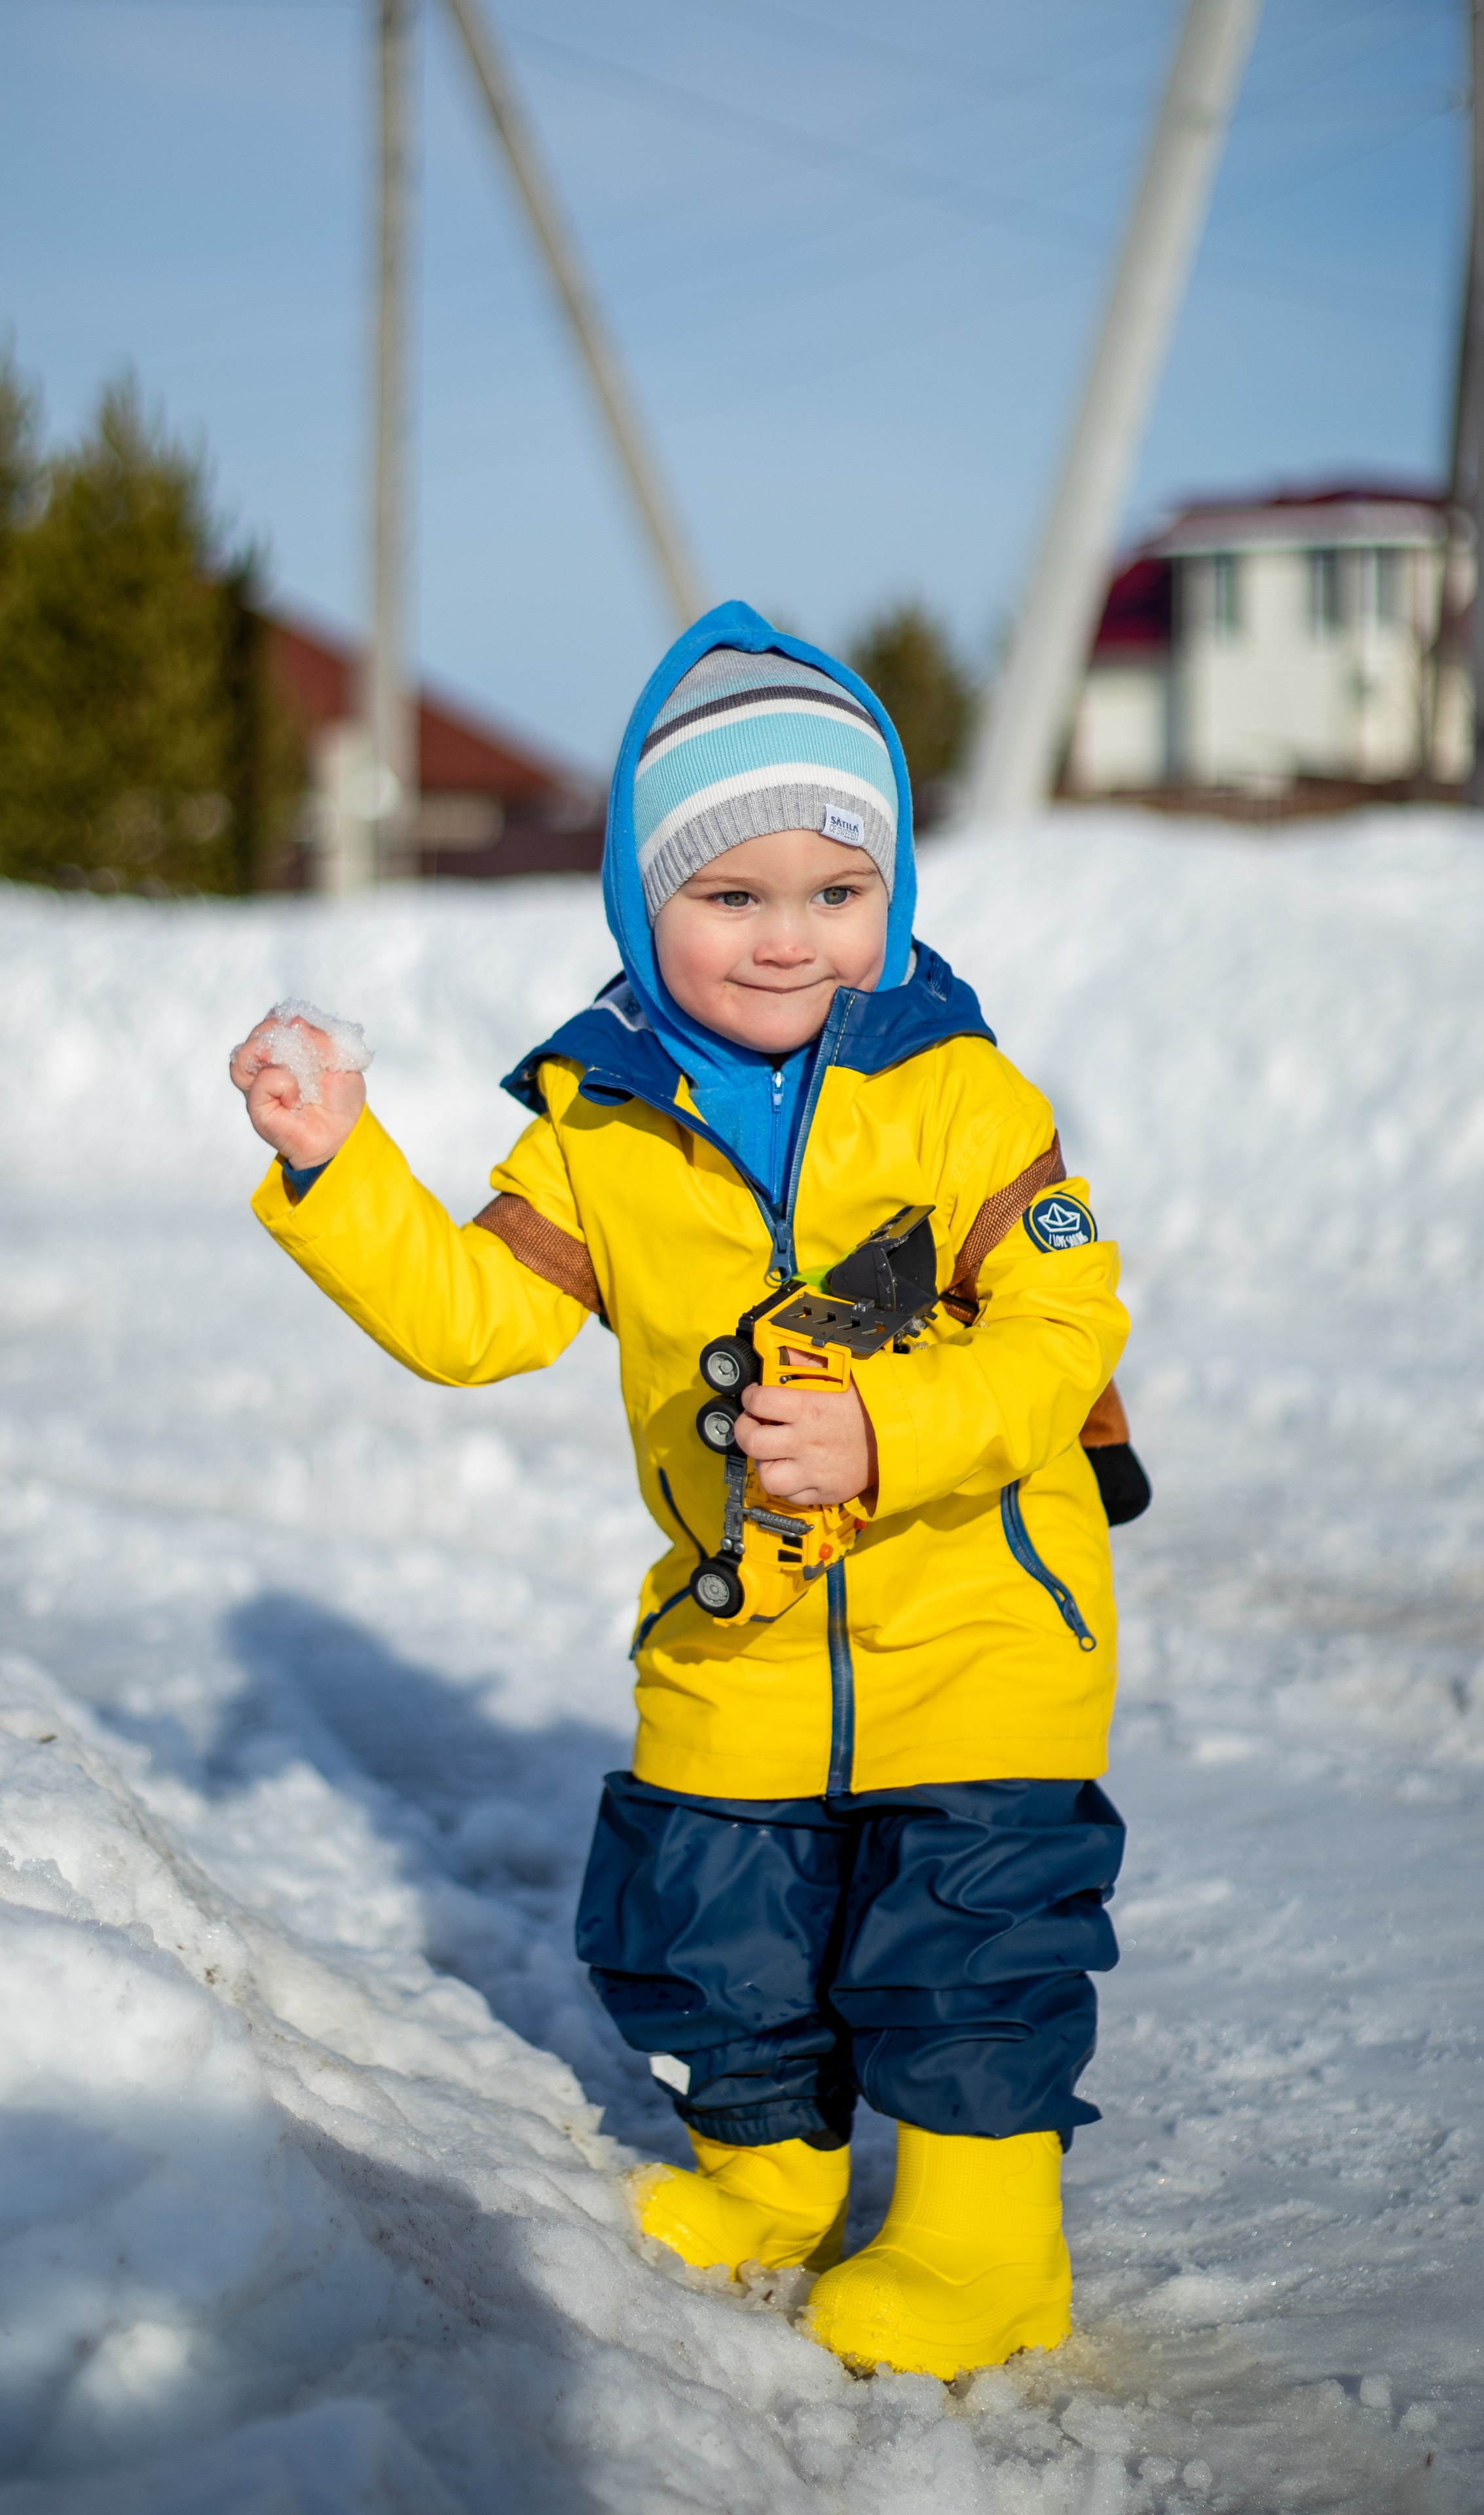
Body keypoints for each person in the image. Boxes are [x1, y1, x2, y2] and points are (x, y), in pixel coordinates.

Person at [230, 601, 1138, 2380]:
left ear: (893, 900)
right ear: (648, 910)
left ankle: (981, 2240)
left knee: (968, 1942)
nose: (791, 937)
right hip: (744, 1640)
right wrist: (344, 1169)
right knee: (715, 1928)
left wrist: (894, 1428)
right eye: (733, 897)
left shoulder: (962, 1098)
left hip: (978, 1629)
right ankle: (770, 2177)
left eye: (834, 891)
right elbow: (482, 1319)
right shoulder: (601, 1120)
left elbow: (1063, 1321)